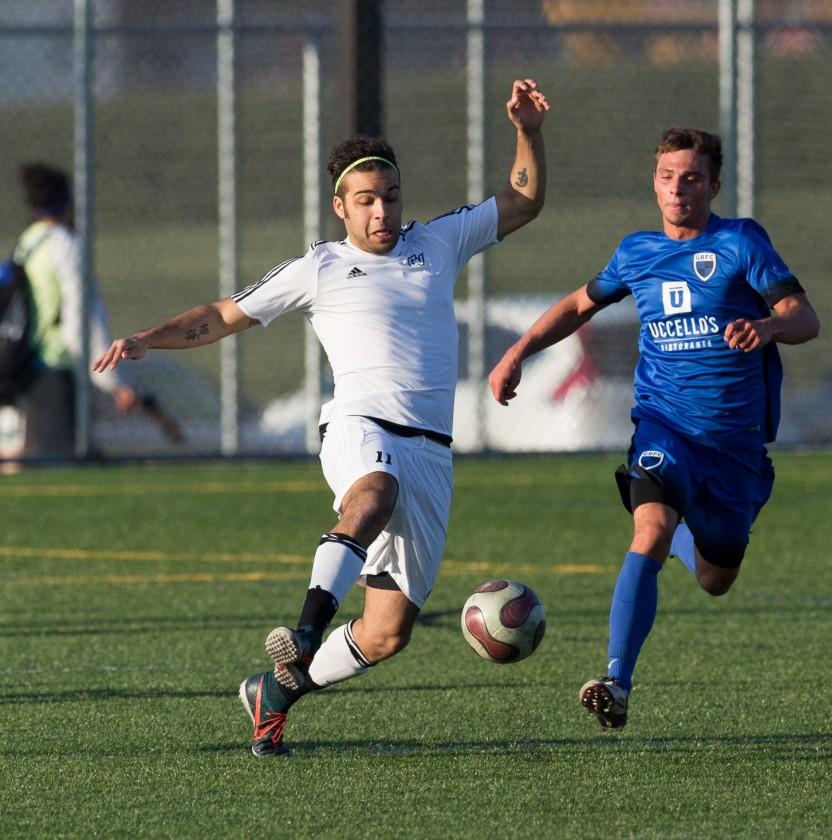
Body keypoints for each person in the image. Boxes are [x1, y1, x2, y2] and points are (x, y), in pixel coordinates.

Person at [94, 79, 550, 757]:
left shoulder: (441, 241)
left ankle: (275, 692)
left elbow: (524, 201)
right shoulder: (321, 267)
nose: (381, 213)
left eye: (389, 198)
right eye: (365, 201)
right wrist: (146, 338)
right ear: (340, 205)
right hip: (358, 425)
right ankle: (305, 630)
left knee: (387, 632)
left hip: (432, 450)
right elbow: (222, 315)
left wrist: (527, 132)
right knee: (373, 493)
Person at [488, 128, 819, 730]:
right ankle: (615, 680)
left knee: (718, 578)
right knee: (650, 531)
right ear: (654, 184)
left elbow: (804, 316)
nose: (677, 189)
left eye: (691, 178)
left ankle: (690, 537)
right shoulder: (636, 252)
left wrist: (768, 328)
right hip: (663, 430)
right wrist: (518, 352)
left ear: (713, 185)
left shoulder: (741, 241)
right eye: (667, 177)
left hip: (735, 450)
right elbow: (578, 306)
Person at [2, 163, 137, 462]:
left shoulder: (27, 243)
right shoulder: (64, 245)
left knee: (35, 460)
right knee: (62, 465)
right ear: (66, 202)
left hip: (25, 368)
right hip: (55, 368)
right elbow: (82, 319)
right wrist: (115, 382)